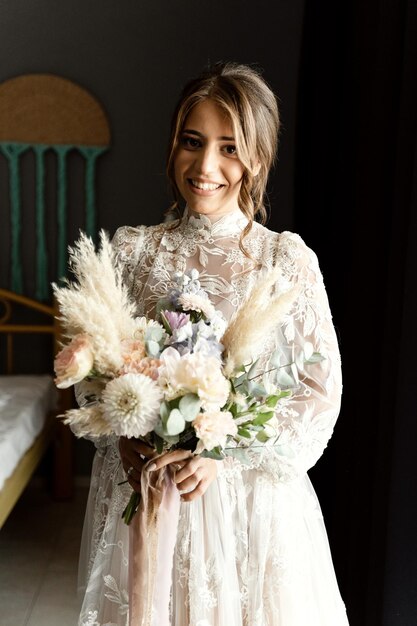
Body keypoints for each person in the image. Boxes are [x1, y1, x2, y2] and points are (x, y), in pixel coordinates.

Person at [75, 62, 349, 625]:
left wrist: (224, 453)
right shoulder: (132, 252)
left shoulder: (283, 260)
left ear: (258, 156)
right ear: (173, 145)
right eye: (192, 142)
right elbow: (93, 375)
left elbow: (319, 394)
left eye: (229, 149)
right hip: (146, 498)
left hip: (246, 513)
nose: (206, 167)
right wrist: (121, 432)